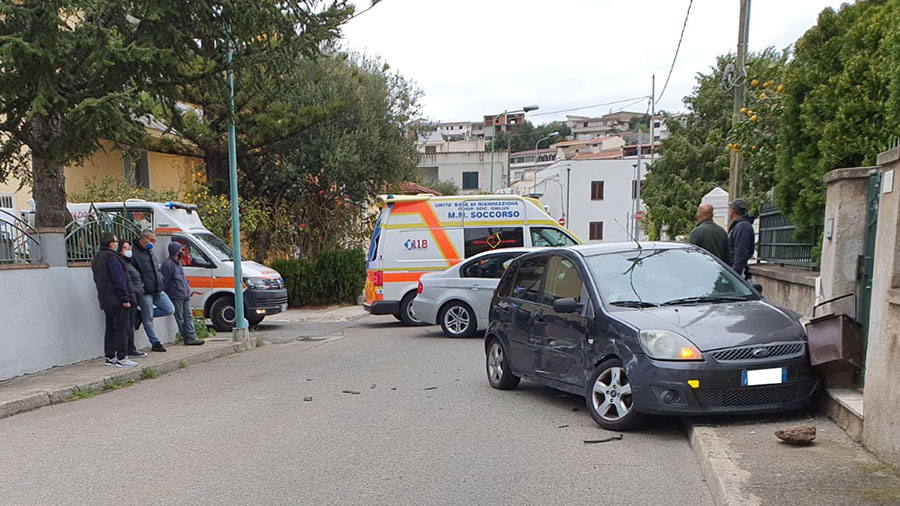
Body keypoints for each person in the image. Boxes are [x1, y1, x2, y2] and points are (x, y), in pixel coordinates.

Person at [90, 233, 138, 368]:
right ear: (111, 244)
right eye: (116, 241)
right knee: (121, 329)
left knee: (110, 327)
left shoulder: (97, 258)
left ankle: (110, 355)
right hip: (117, 299)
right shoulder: (112, 258)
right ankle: (122, 356)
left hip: (106, 298)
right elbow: (119, 280)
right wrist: (125, 298)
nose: (117, 244)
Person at [132, 229, 175, 352]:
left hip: (157, 289)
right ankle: (155, 342)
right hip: (145, 291)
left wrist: (160, 281)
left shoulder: (149, 252)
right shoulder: (134, 253)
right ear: (143, 239)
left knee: (169, 309)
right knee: (148, 318)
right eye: (152, 240)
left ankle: (141, 315)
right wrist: (141, 286)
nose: (154, 243)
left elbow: (156, 269)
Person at [161, 241, 205, 346]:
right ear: (175, 251)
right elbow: (165, 281)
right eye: (180, 250)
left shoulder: (179, 263)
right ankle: (186, 337)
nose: (182, 252)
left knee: (188, 316)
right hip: (176, 295)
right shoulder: (167, 265)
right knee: (180, 317)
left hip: (184, 294)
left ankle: (192, 336)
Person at [117, 240, 148, 358]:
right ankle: (130, 349)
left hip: (136, 296)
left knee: (130, 323)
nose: (129, 250)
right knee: (128, 324)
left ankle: (130, 348)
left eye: (129, 247)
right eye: (125, 248)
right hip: (130, 297)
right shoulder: (121, 263)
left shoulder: (129, 262)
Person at [728, 198, 756, 279]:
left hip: (737, 271)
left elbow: (741, 251)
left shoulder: (742, 227)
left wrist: (734, 274)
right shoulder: (740, 225)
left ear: (732, 211)